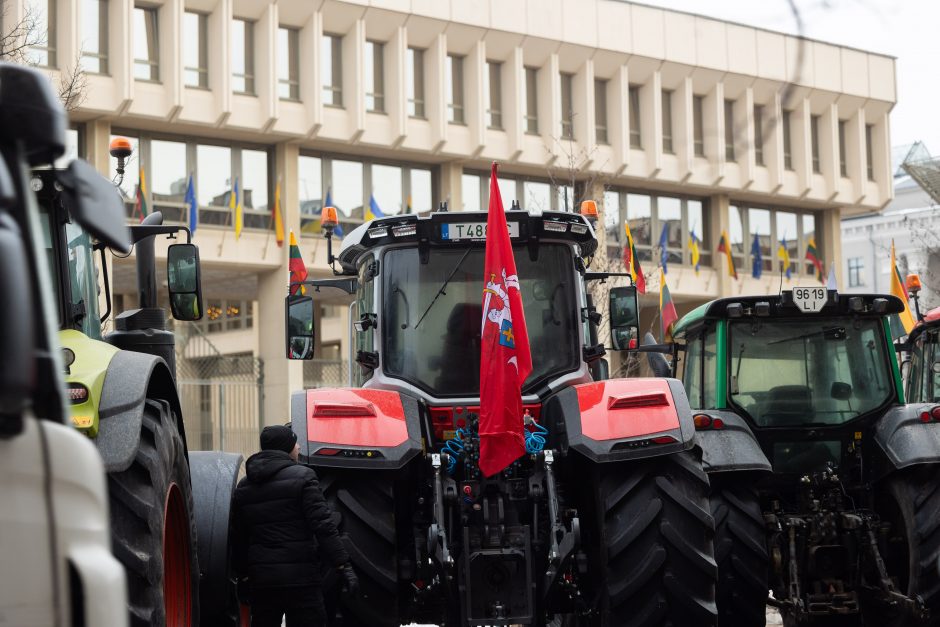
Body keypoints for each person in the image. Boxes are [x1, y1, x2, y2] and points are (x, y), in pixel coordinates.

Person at [233, 425, 359, 626]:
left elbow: (239, 538)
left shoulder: (245, 485)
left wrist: (244, 578)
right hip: (301, 581)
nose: (299, 447)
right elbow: (323, 526)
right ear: (285, 448)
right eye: (295, 443)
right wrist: (343, 566)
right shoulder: (304, 477)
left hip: (263, 582)